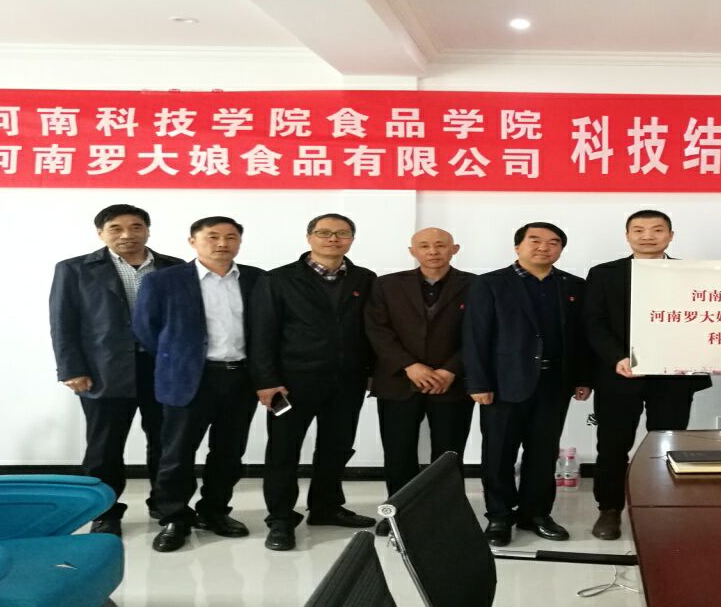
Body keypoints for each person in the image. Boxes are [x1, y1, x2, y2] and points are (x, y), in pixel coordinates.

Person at [49, 204, 184, 536]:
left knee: (167, 443)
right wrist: (71, 368)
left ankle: (166, 505)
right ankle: (105, 512)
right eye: (116, 228)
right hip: (103, 370)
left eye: (136, 227)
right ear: (101, 233)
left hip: (162, 370)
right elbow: (63, 322)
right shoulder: (75, 269)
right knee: (104, 447)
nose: (127, 235)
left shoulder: (174, 267)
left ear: (147, 230)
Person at [132, 217, 264, 552]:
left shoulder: (257, 279)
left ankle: (215, 511)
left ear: (239, 242)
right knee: (176, 453)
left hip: (240, 378)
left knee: (229, 452)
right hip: (188, 377)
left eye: (231, 237)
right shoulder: (163, 280)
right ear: (192, 241)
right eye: (212, 236)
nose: (222, 243)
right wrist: (179, 359)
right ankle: (174, 517)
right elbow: (146, 330)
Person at [249, 213, 377, 551]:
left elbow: (372, 329)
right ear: (309, 238)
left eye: (342, 233)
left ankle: (326, 506)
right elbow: (261, 333)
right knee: (283, 450)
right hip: (290, 384)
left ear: (351, 239)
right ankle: (280, 518)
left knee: (337, 446)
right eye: (324, 232)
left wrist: (372, 371)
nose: (333, 239)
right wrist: (266, 380)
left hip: (347, 381)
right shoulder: (277, 279)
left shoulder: (365, 279)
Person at [584, 210, 712, 541]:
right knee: (612, 445)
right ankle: (609, 509)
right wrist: (617, 357)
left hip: (673, 377)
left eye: (657, 230)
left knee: (667, 445)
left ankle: (662, 508)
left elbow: (706, 317)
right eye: (638, 230)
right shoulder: (604, 274)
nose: (647, 236)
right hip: (619, 375)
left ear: (671, 235)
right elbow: (593, 323)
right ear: (627, 236)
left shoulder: (693, 273)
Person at [463, 222, 590, 547]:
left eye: (553, 242)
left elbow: (581, 337)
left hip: (554, 384)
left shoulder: (573, 285)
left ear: (561, 249)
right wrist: (478, 382)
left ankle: (536, 514)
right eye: (535, 240)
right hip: (503, 383)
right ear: (517, 246)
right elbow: (475, 336)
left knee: (543, 453)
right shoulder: (490, 283)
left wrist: (583, 377)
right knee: (498, 454)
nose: (544, 247)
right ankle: (500, 516)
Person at [364, 227, 476, 536]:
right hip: (398, 381)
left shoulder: (476, 285)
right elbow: (377, 330)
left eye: (440, 245)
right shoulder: (386, 285)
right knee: (398, 452)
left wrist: (451, 370)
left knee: (449, 454)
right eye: (424, 246)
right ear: (412, 251)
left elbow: (479, 333)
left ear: (454, 249)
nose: (433, 251)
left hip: (451, 383)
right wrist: (410, 366)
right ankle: (398, 515)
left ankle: (446, 514)